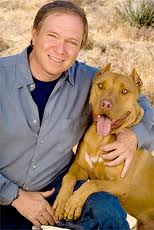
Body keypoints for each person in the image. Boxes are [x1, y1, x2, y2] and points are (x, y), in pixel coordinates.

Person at [0, 1, 153, 229]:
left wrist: (134, 136)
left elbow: (140, 103)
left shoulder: (92, 81)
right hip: (4, 189)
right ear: (34, 35)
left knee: (107, 212)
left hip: (53, 187)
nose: (60, 49)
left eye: (71, 42)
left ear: (80, 46)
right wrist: (14, 195)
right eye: (52, 35)